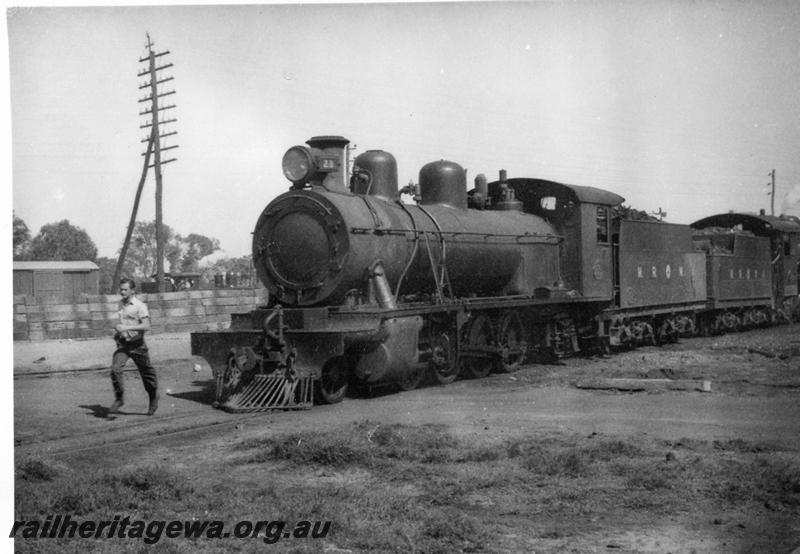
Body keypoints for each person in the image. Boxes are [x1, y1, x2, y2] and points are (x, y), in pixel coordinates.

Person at [109, 278, 159, 415]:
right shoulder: (120, 304)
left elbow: (146, 326)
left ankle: (153, 397)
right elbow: (121, 322)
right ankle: (119, 399)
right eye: (121, 289)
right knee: (115, 370)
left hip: (138, 345)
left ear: (132, 290)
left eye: (125, 289)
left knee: (147, 375)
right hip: (124, 345)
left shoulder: (140, 305)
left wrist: (127, 327)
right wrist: (118, 330)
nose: (122, 292)